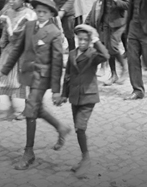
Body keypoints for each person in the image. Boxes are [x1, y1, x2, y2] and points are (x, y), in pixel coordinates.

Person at [0, 0, 69, 171]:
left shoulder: (54, 33)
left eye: (44, 12)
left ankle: (29, 153)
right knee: (36, 109)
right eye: (38, 11)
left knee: (30, 109)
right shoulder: (28, 27)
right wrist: (3, 71)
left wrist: (57, 91)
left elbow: (57, 63)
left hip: (42, 77)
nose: (41, 14)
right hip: (27, 74)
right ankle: (61, 127)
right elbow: (16, 51)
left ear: (51, 14)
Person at [55, 23, 108, 177]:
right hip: (75, 97)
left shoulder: (93, 54)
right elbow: (68, 76)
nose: (83, 42)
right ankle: (83, 158)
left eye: (86, 40)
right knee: (79, 129)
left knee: (80, 127)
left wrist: (96, 39)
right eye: (80, 39)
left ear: (90, 40)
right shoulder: (72, 54)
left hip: (88, 96)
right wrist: (64, 94)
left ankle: (86, 159)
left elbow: (105, 56)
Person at [0, 0, 35, 120]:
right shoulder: (9, 12)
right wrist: (2, 44)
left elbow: (22, 35)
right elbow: (5, 33)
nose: (11, 2)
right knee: (9, 81)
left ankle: (27, 109)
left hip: (24, 52)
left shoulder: (29, 14)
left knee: (22, 81)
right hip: (10, 51)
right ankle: (14, 107)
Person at [94, 0, 129, 86]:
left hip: (118, 22)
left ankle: (124, 68)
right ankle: (113, 74)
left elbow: (127, 4)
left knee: (113, 47)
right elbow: (103, 3)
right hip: (106, 21)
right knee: (108, 49)